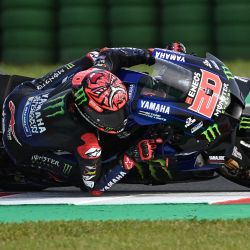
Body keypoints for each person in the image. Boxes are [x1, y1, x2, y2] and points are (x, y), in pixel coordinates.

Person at [2, 43, 186, 195]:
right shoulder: (87, 143)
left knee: (91, 57)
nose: (115, 118)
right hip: (18, 143)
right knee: (75, 174)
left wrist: (154, 56)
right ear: (86, 109)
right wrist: (131, 156)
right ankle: (42, 171)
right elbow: (94, 186)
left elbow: (109, 54)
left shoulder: (95, 74)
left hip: (19, 97)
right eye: (107, 114)